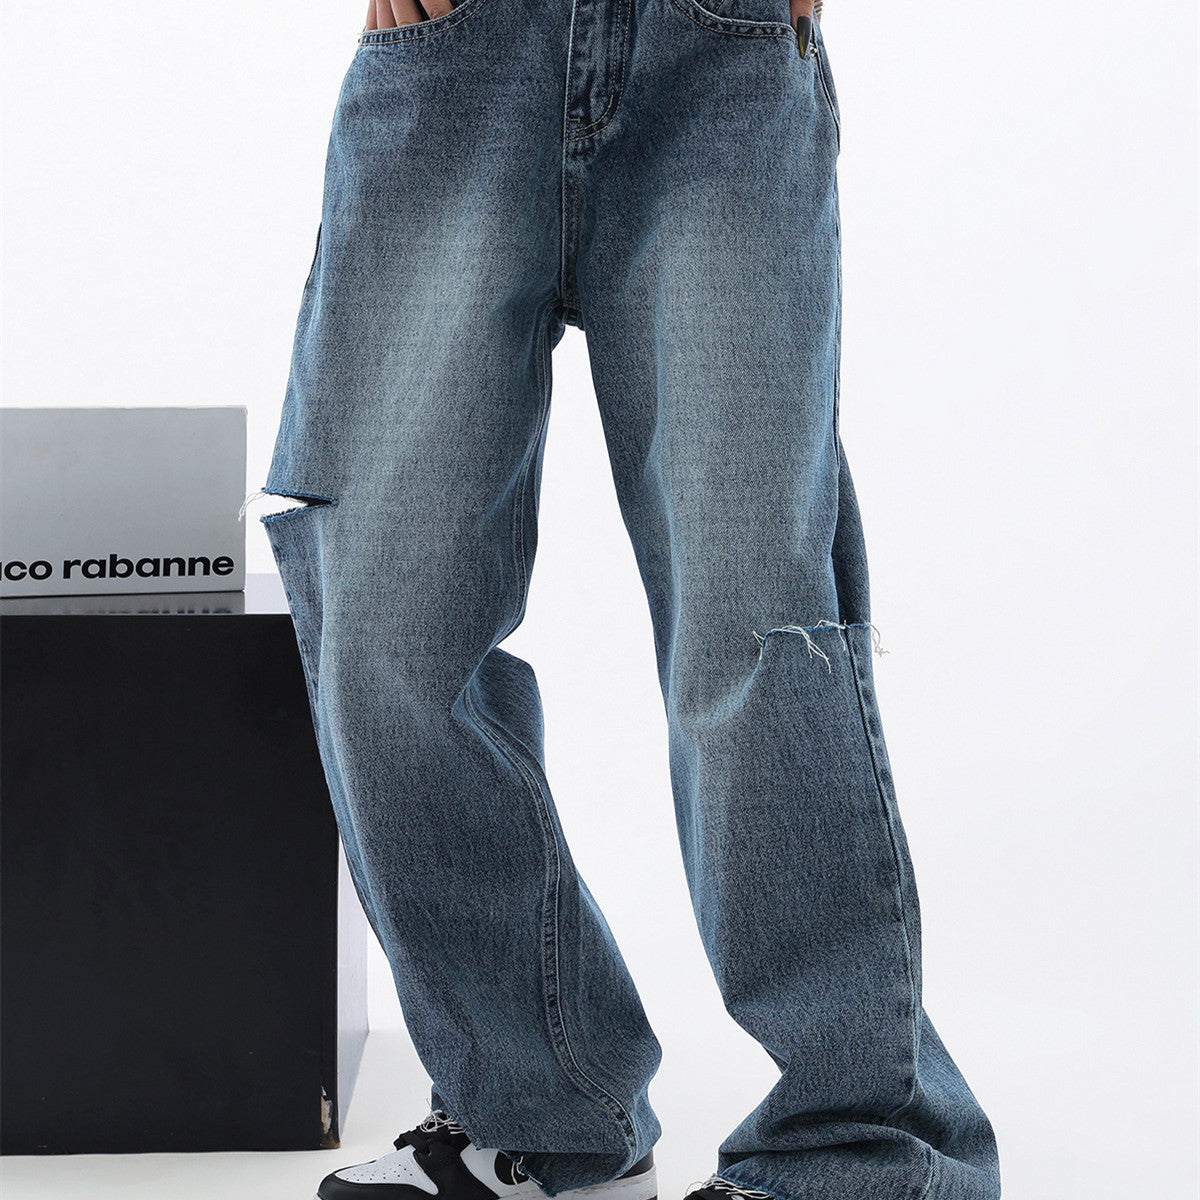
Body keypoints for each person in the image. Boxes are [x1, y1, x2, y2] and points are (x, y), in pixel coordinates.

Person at [246, 0, 1001, 1197]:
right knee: (384, 623)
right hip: (453, 59)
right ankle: (540, 1114)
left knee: (755, 630)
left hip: (718, 56)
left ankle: (857, 1155)